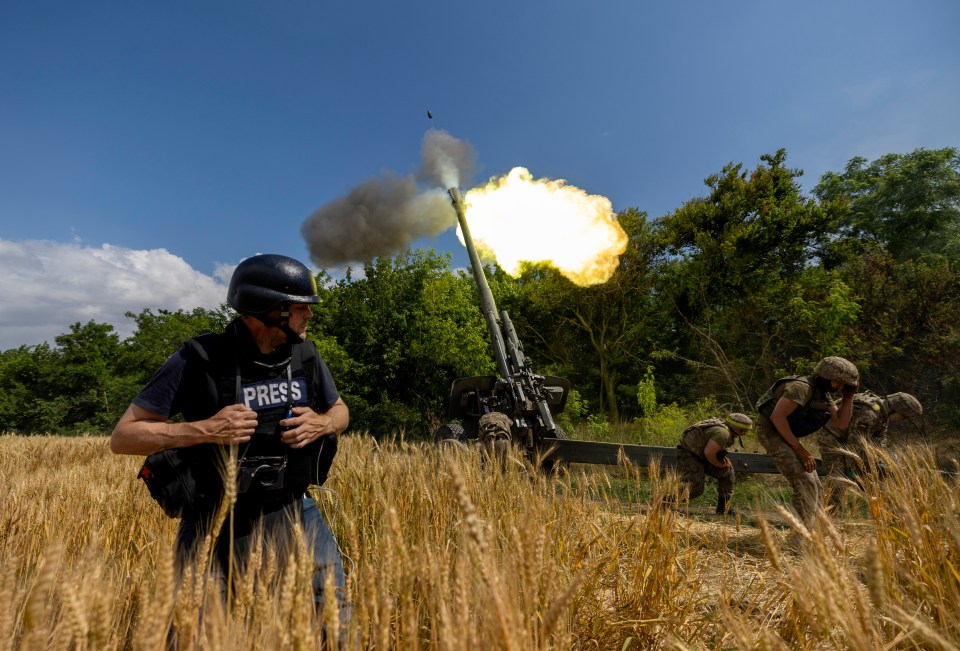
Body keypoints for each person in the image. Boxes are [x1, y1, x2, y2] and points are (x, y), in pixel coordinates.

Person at [110, 253, 349, 624]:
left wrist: (322, 423)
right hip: (214, 517)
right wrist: (205, 429)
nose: (310, 314)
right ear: (269, 310)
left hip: (293, 506)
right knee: (198, 629)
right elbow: (124, 437)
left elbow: (341, 411)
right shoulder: (201, 359)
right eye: (301, 306)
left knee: (332, 611)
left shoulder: (304, 355)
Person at [754, 356, 859, 531]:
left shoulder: (822, 393)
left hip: (787, 433)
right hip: (771, 432)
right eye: (839, 382)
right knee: (805, 482)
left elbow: (840, 422)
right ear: (826, 375)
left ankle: (808, 531)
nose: (840, 387)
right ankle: (798, 536)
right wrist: (799, 449)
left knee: (816, 486)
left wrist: (848, 398)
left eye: (844, 384)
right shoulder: (801, 387)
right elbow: (777, 417)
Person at [819, 391, 923, 508]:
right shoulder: (869, 413)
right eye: (903, 416)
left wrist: (883, 462)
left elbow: (880, 441)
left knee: (876, 482)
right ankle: (822, 517)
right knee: (838, 484)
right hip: (833, 441)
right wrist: (852, 469)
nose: (902, 420)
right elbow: (855, 444)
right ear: (897, 410)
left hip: (850, 445)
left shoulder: (882, 413)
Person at [675, 412, 754, 515]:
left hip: (700, 454)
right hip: (689, 455)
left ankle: (723, 508)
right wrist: (718, 464)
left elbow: (710, 450)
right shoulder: (722, 433)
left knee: (727, 473)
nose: (745, 433)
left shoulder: (725, 429)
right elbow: (709, 453)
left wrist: (722, 461)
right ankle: (662, 499)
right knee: (696, 489)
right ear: (740, 429)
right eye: (745, 431)